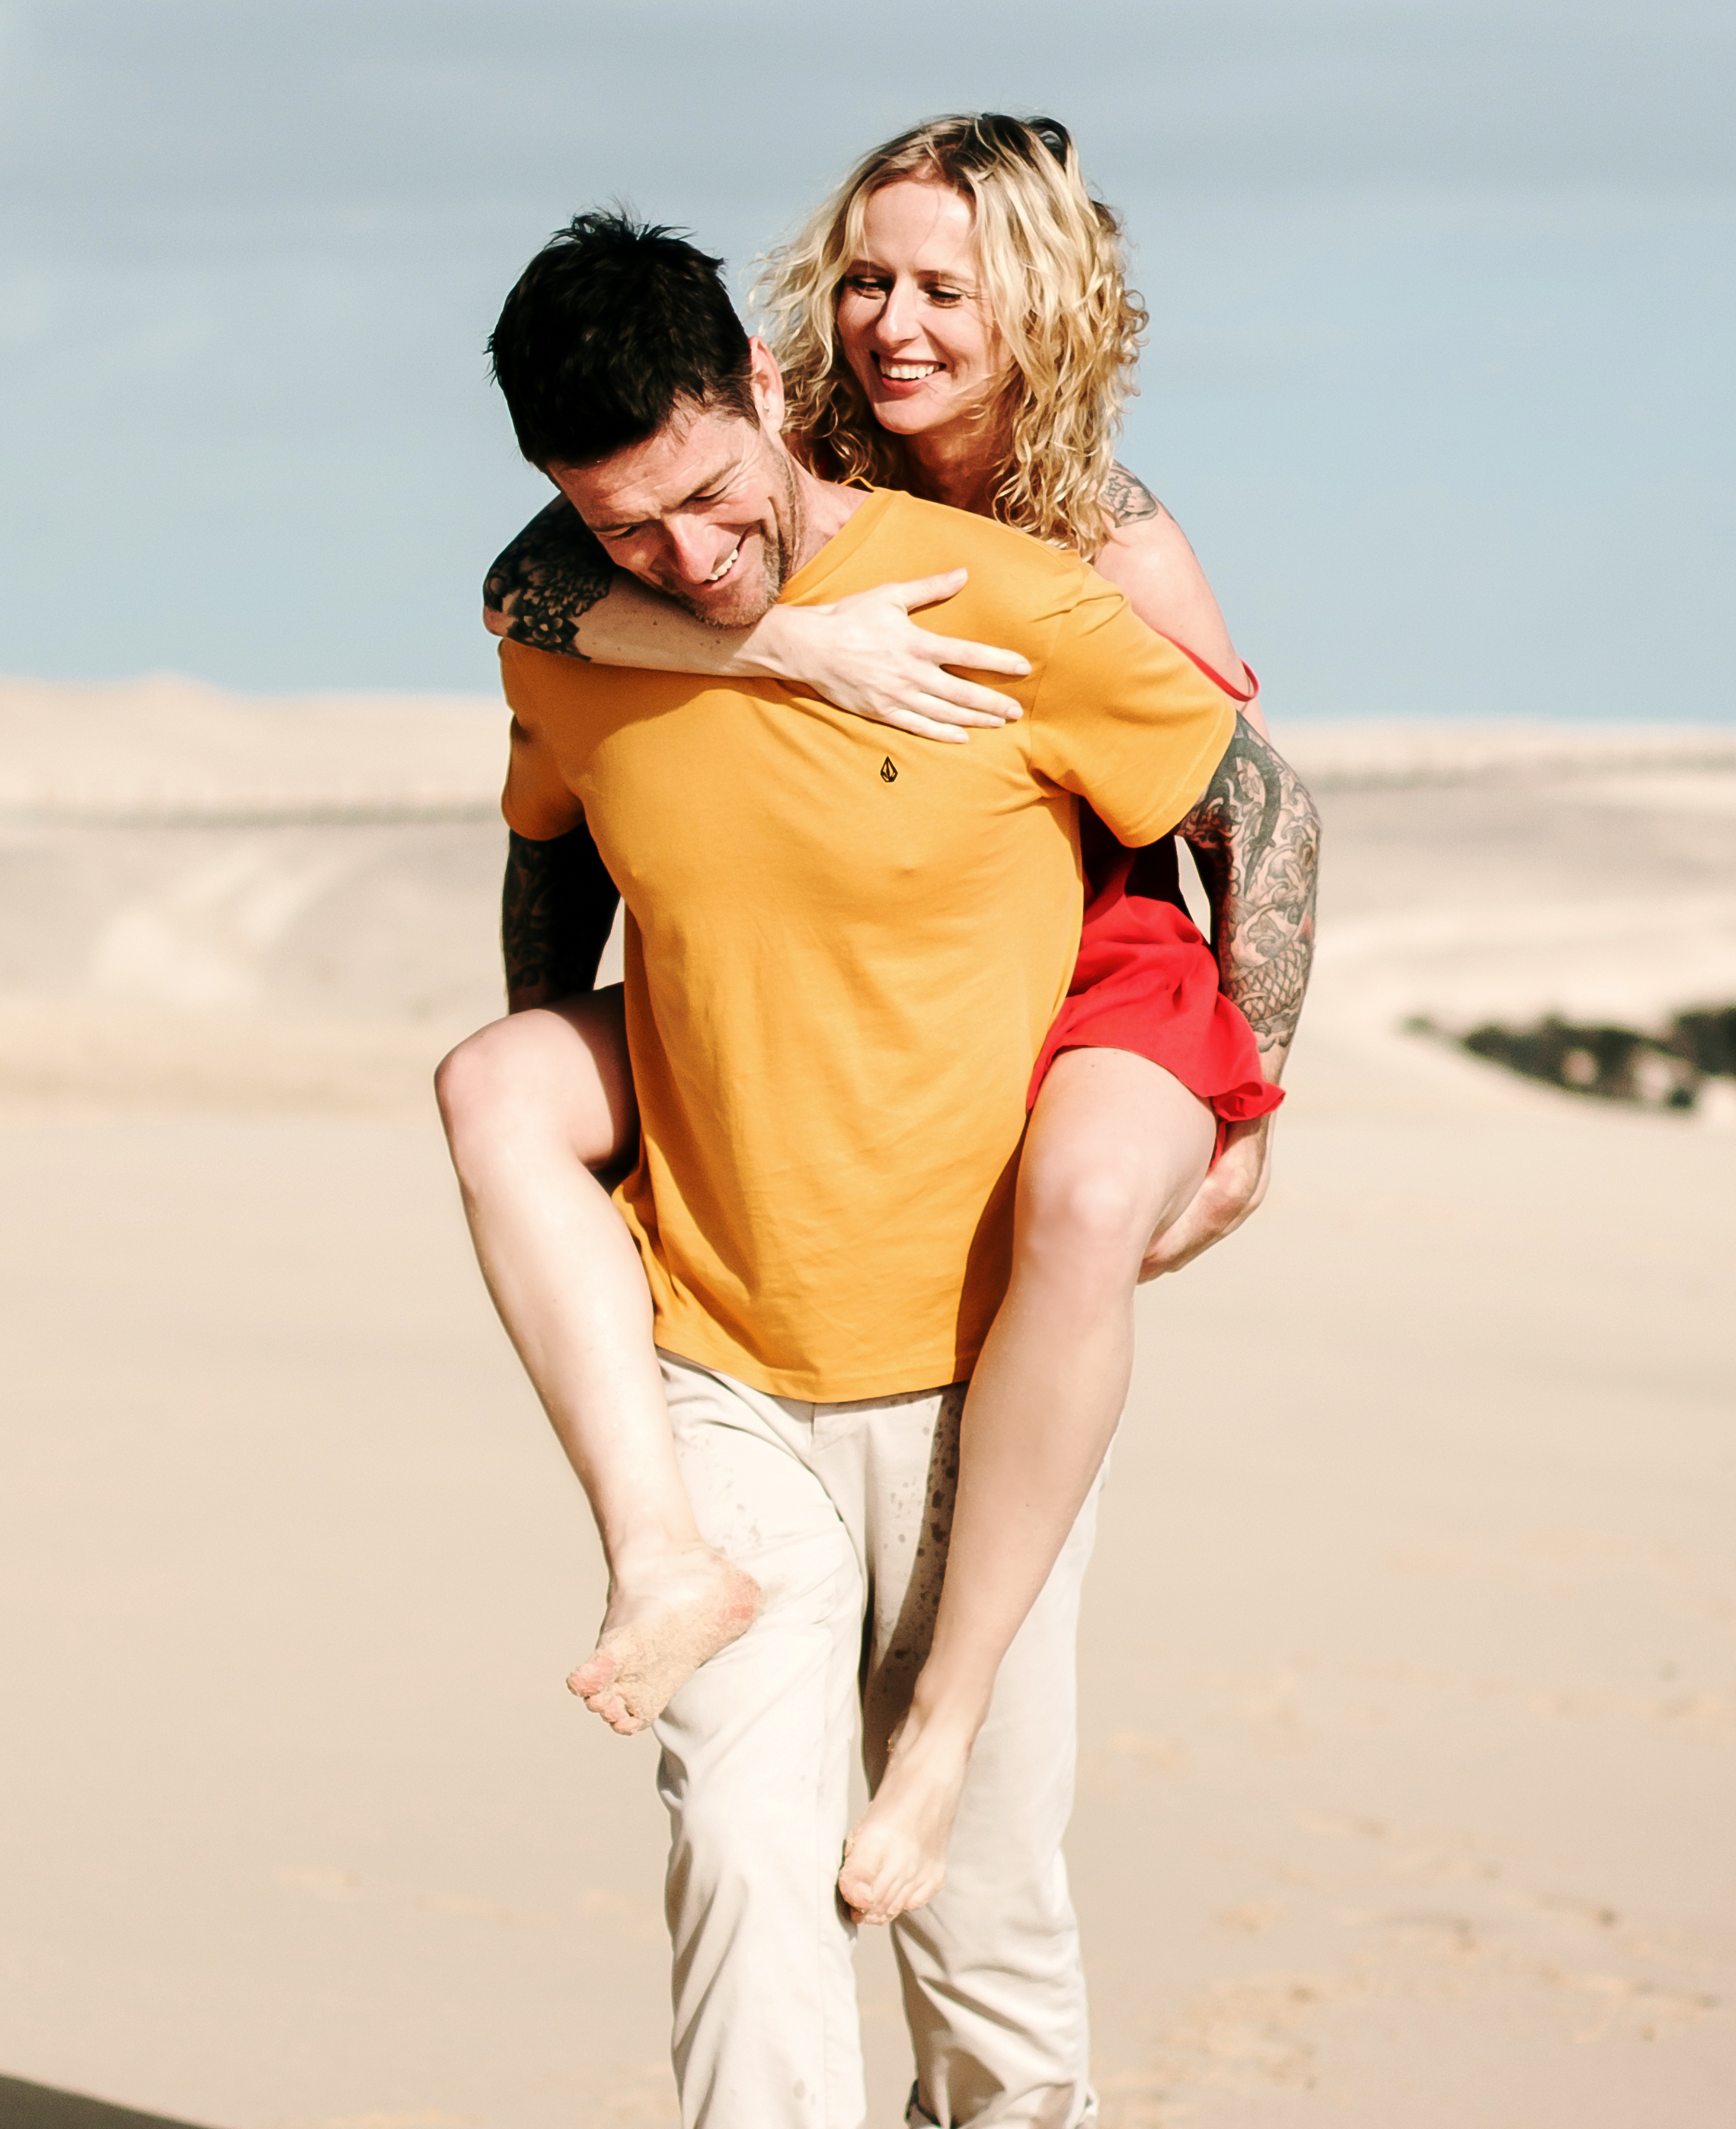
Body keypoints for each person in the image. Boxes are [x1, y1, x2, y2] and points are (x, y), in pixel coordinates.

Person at [436, 200, 1316, 2129]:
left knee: (984, 1901)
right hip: (719, 1353)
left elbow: (1240, 798)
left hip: (964, 1377)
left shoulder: (1001, 596)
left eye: (719, 501)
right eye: (630, 530)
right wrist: (583, 1103)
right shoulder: (577, 628)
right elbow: (547, 872)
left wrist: (1240, 1099)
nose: (695, 559)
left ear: (755, 378)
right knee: (742, 1848)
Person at [445, 116, 1317, 1936]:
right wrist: (776, 646)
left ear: (1042, 301)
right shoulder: (766, 457)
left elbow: (1253, 807)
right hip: (854, 953)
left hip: (1098, 939)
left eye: (942, 286)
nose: (892, 322)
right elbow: (528, 587)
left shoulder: (1104, 530)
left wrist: (1248, 1089)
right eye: (865, 277)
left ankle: (944, 1727)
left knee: (1081, 1206)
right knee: (500, 1086)